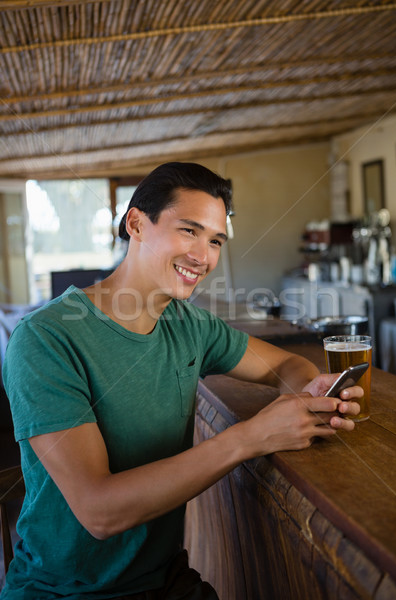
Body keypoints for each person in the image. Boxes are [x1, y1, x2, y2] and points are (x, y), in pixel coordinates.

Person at [1, 162, 361, 600]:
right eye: (188, 231)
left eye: (215, 241)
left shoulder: (189, 325)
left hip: (164, 580)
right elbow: (99, 511)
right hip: (66, 593)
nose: (203, 257)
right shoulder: (45, 338)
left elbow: (287, 366)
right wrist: (250, 438)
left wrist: (312, 393)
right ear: (136, 223)